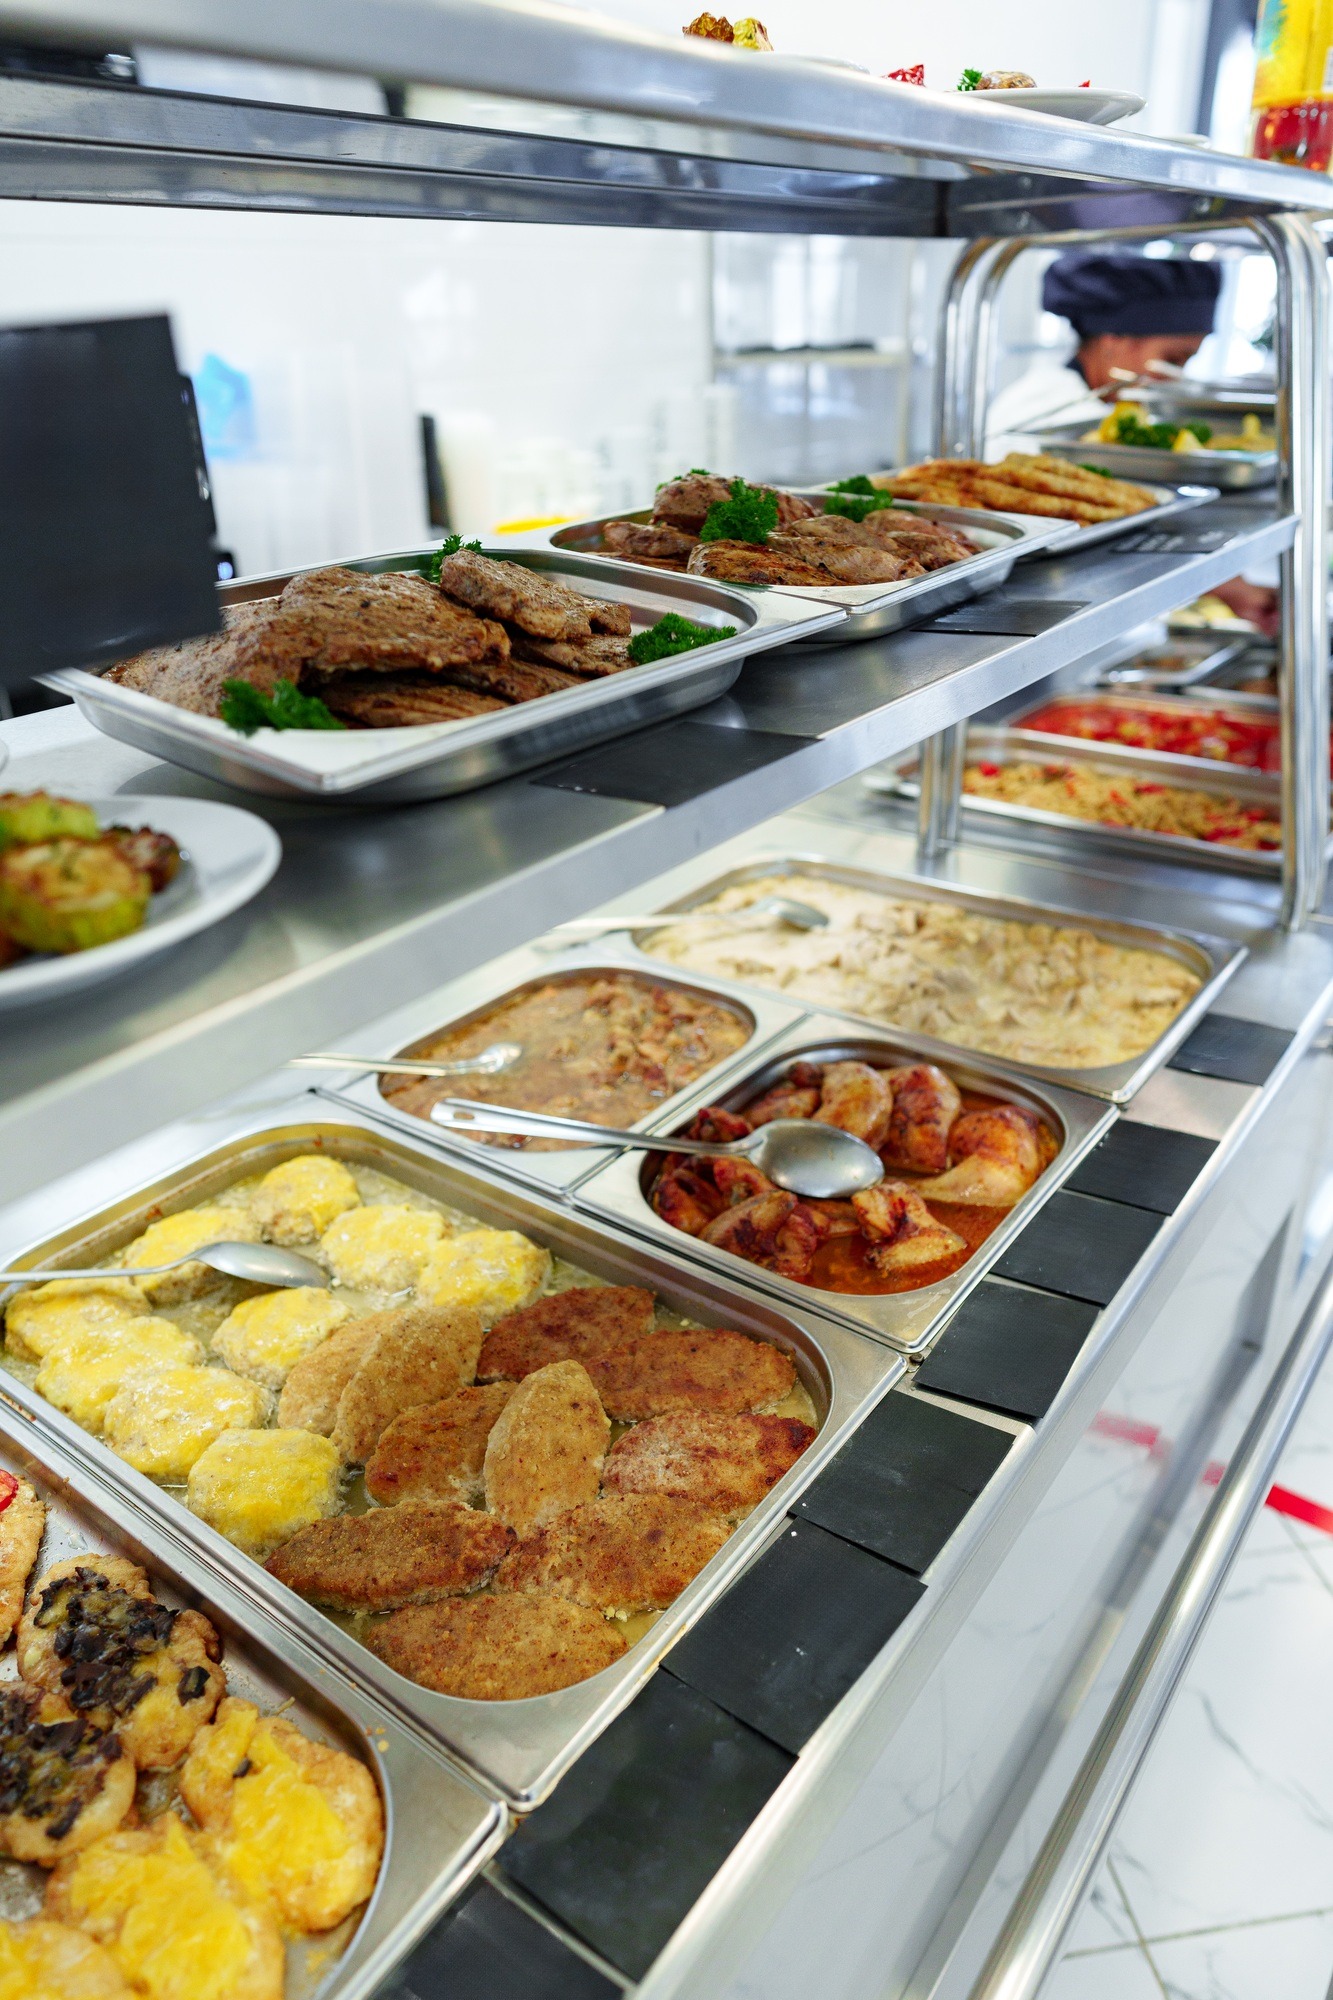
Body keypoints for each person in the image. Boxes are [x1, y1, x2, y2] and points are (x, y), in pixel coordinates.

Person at [986, 249, 1277, 636]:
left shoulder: (1113, 408)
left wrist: (1228, 586)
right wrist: (1225, 584)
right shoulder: (1048, 414)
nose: (1175, 377)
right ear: (1115, 340)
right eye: (1173, 359)